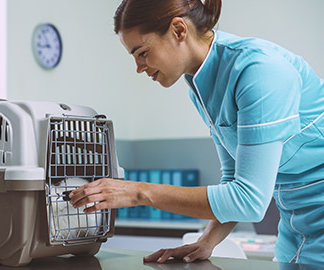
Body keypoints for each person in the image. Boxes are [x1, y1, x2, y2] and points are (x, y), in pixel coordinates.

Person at [69, 0, 324, 265]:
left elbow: (249, 200)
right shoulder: (200, 84)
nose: (139, 67)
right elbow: (233, 180)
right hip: (295, 232)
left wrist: (139, 193)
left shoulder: (260, 72)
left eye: (142, 52)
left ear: (179, 30)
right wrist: (206, 242)